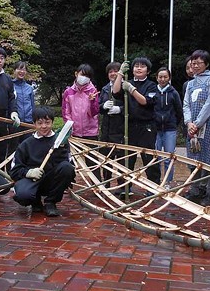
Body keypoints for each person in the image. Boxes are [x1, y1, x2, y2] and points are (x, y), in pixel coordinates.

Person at [10, 106, 75, 217]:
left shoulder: (60, 142)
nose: (44, 126)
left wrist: (62, 148)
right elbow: (14, 170)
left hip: (51, 181)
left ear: (52, 122)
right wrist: (29, 172)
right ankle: (35, 201)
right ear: (34, 124)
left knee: (67, 168)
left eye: (47, 122)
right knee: (23, 195)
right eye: (40, 123)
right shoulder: (26, 144)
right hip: (32, 181)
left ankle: (51, 202)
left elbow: (68, 164)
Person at [112, 56, 160, 190]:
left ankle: (153, 188)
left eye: (142, 66)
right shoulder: (127, 81)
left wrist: (132, 90)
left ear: (148, 70)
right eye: (136, 66)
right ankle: (124, 188)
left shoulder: (151, 85)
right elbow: (115, 92)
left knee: (149, 158)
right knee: (126, 157)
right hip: (129, 126)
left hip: (146, 127)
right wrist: (120, 73)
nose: (139, 68)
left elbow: (145, 101)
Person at [183, 49, 210, 206]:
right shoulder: (191, 83)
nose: (195, 66)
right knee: (194, 159)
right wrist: (189, 123)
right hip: (192, 128)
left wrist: (197, 123)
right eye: (193, 63)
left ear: (206, 64)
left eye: (199, 63)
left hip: (208, 125)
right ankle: (195, 189)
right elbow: (186, 104)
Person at [154, 67, 183, 186]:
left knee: (168, 158)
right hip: (155, 129)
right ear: (156, 78)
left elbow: (179, 110)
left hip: (170, 129)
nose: (162, 79)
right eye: (160, 77)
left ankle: (168, 182)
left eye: (165, 77)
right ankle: (155, 182)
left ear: (169, 78)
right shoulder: (152, 91)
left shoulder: (173, 93)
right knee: (155, 158)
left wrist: (173, 123)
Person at [99, 62, 125, 191]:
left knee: (121, 159)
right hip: (106, 129)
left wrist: (120, 109)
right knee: (105, 158)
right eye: (110, 72)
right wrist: (103, 107)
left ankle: (121, 187)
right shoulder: (104, 89)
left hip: (120, 129)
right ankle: (106, 183)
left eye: (116, 71)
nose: (113, 74)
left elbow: (132, 107)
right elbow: (98, 107)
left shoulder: (125, 87)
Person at [62, 64, 100, 141]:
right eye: (82, 75)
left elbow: (93, 113)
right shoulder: (68, 92)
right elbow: (66, 112)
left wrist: (91, 101)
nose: (84, 78)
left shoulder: (93, 91)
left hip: (90, 133)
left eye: (87, 76)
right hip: (74, 133)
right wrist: (70, 127)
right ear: (76, 74)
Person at [9, 61, 35, 154]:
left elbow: (33, 105)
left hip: (28, 123)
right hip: (15, 123)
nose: (22, 71)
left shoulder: (29, 88)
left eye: (24, 69)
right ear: (14, 71)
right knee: (13, 149)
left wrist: (34, 120)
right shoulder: (10, 86)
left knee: (28, 148)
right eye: (19, 69)